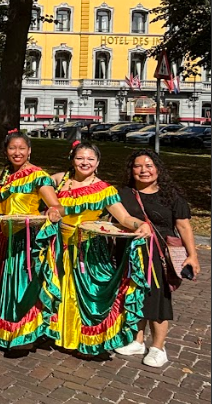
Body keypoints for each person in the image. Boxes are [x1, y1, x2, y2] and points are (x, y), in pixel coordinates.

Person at [45, 141, 150, 355]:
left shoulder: (104, 190)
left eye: (90, 159)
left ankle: (85, 339)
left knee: (88, 295)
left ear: (98, 162)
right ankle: (62, 335)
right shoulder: (58, 181)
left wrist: (141, 224)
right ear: (72, 160)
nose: (85, 162)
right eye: (80, 158)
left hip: (88, 249)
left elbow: (124, 218)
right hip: (58, 247)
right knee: (61, 292)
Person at [115, 149, 201, 367]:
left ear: (158, 169)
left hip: (158, 256)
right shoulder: (123, 194)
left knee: (158, 299)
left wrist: (192, 255)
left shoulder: (171, 197)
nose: (143, 170)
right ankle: (137, 341)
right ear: (131, 170)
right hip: (130, 253)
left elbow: (184, 227)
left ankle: (158, 348)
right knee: (135, 296)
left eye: (149, 166)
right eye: (138, 166)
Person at [0, 129, 63, 350]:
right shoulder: (6, 176)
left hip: (27, 240)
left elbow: (56, 205)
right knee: (7, 286)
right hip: (4, 240)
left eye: (21, 148)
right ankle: (6, 330)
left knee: (24, 286)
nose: (17, 152)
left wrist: (54, 212)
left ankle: (25, 334)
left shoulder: (38, 175)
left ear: (29, 151)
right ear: (6, 151)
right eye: (12, 148)